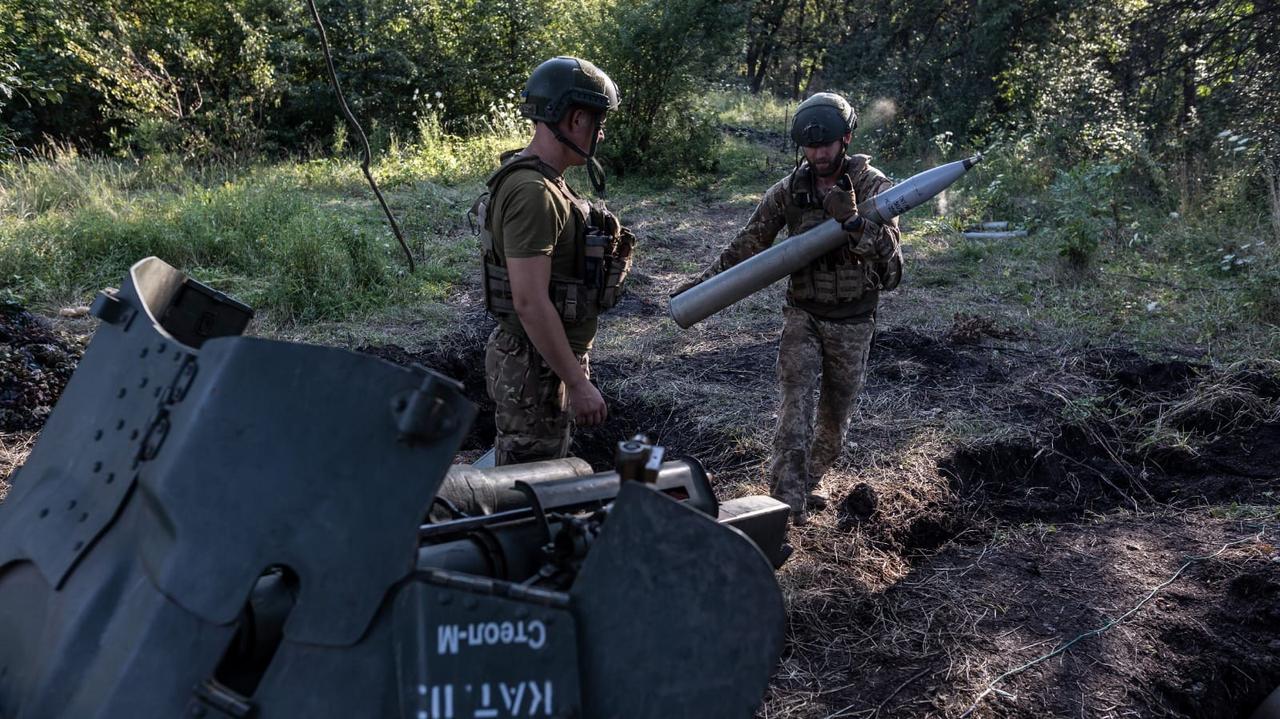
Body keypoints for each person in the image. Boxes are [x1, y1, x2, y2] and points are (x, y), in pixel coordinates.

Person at [672, 92, 902, 525]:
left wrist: (853, 224)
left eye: (826, 145)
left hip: (853, 320)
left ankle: (808, 480)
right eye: (810, 147)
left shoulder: (873, 186)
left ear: (846, 138)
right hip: (804, 315)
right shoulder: (790, 191)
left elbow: (892, 267)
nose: (818, 154)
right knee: (793, 413)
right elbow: (748, 243)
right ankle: (784, 510)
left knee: (832, 428)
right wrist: (701, 286)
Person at [471, 56, 635, 466]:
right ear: (576, 119)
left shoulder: (542, 181)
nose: (601, 133)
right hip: (534, 367)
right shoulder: (533, 193)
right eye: (600, 122)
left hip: (541, 361)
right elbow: (529, 301)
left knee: (537, 476)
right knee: (529, 487)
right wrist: (577, 384)